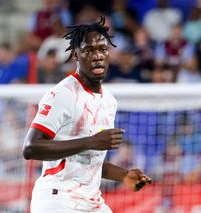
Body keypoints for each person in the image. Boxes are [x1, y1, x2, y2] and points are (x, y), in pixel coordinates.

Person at [22, 16, 152, 213]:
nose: (97, 55)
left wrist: (123, 175)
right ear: (75, 55)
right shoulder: (63, 94)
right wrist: (91, 141)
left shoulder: (109, 102)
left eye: (102, 49)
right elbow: (31, 148)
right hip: (58, 197)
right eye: (89, 50)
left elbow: (89, 159)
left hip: (91, 201)